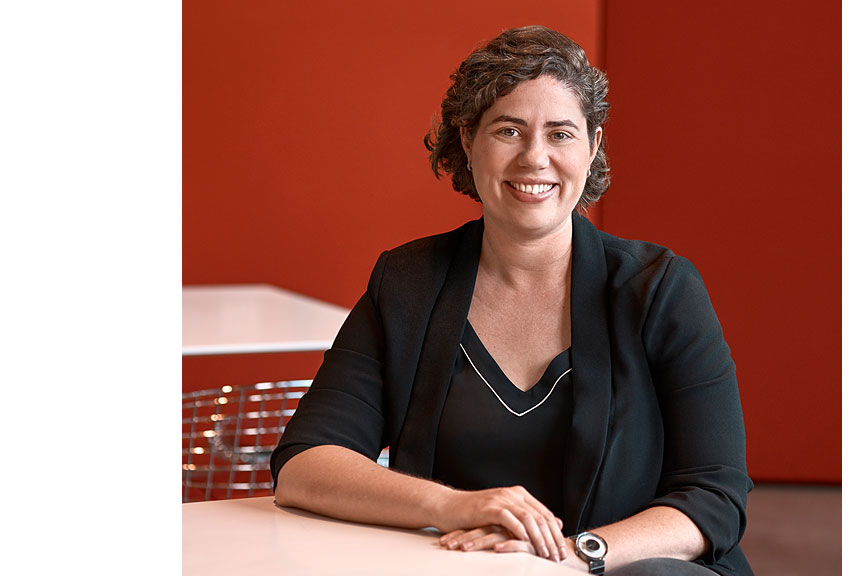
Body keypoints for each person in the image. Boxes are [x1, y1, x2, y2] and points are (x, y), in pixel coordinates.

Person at [270, 25, 753, 576]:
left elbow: (714, 497)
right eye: (508, 130)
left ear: (592, 147)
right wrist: (451, 505)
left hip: (625, 569)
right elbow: (304, 465)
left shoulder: (660, 288)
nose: (535, 157)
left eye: (561, 134)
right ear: (467, 140)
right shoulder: (406, 283)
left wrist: (574, 556)